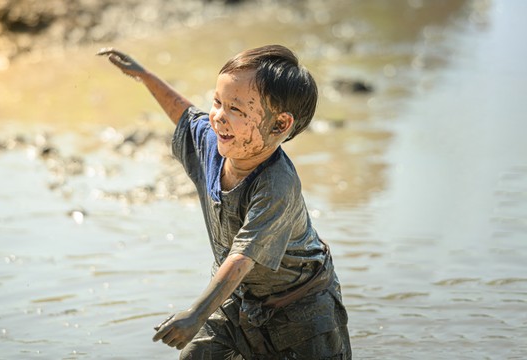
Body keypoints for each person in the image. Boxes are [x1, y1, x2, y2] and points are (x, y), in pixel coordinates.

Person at [98, 45, 351, 359]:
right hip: (240, 297)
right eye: (217, 102)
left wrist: (197, 313)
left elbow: (241, 259)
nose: (218, 117)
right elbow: (185, 114)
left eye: (237, 110)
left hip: (302, 309)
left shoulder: (276, 185)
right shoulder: (212, 147)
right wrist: (145, 77)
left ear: (280, 125)